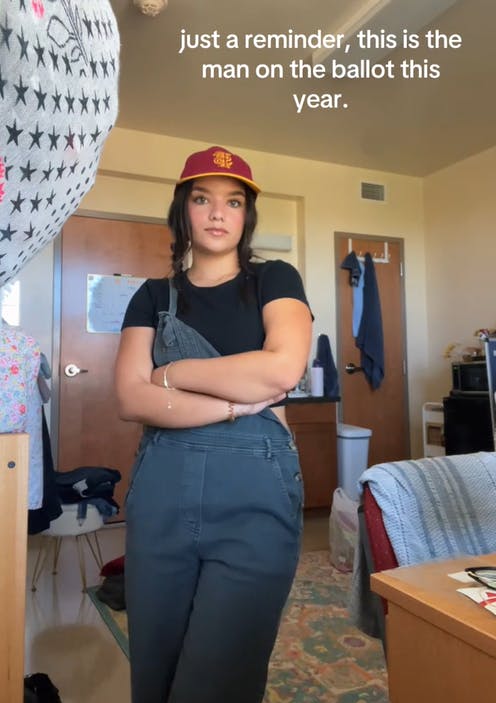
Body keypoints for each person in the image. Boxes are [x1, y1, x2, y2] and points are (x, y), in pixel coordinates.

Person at [114, 145, 313, 703]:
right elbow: (131, 397)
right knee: (155, 667)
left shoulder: (274, 278)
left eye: (233, 202)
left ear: (247, 215)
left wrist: (172, 374)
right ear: (184, 210)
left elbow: (281, 370)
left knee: (218, 679)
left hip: (255, 496)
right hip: (161, 501)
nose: (218, 213)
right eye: (202, 199)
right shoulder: (152, 296)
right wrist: (230, 403)